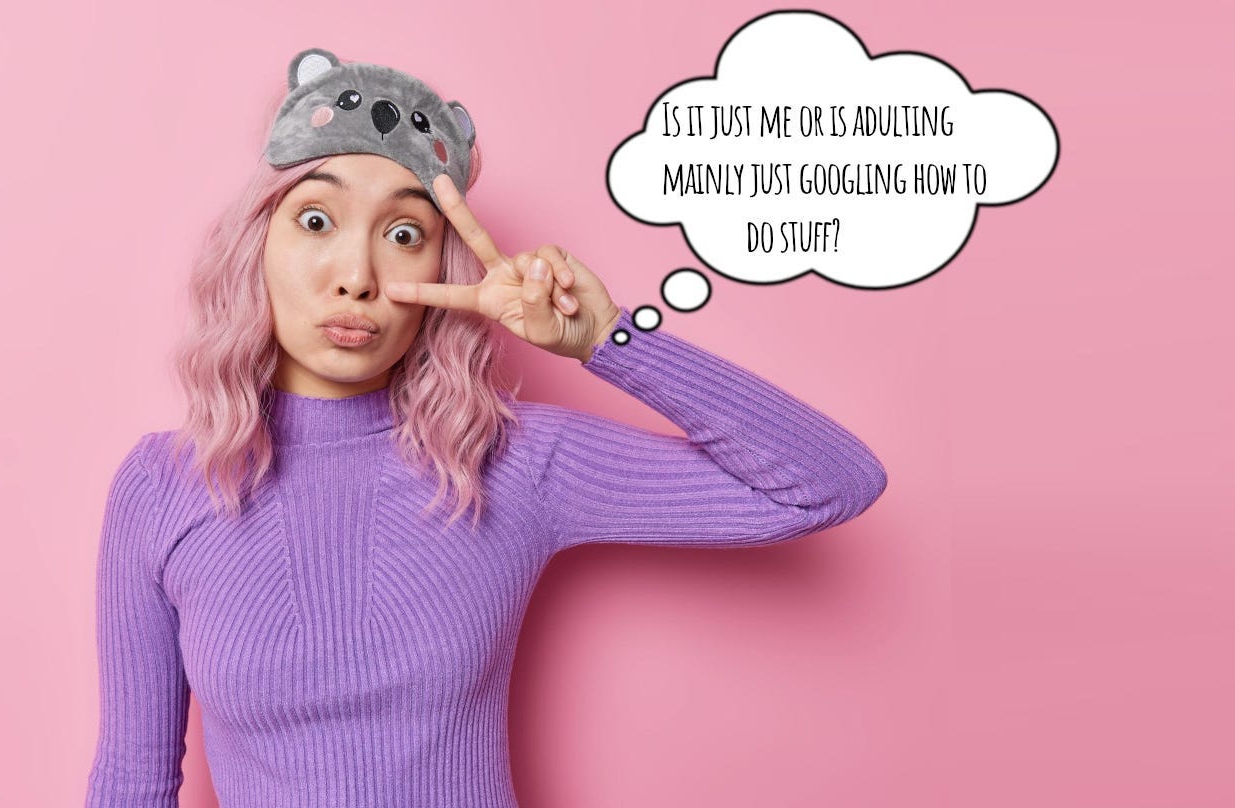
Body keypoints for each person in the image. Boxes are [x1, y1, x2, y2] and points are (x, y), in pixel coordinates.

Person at [86, 47, 888, 808]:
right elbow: (132, 783)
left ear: (444, 271)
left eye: (405, 236)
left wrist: (608, 342)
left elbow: (829, 485)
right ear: (257, 245)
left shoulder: (504, 459)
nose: (359, 276)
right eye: (317, 222)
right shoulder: (164, 486)